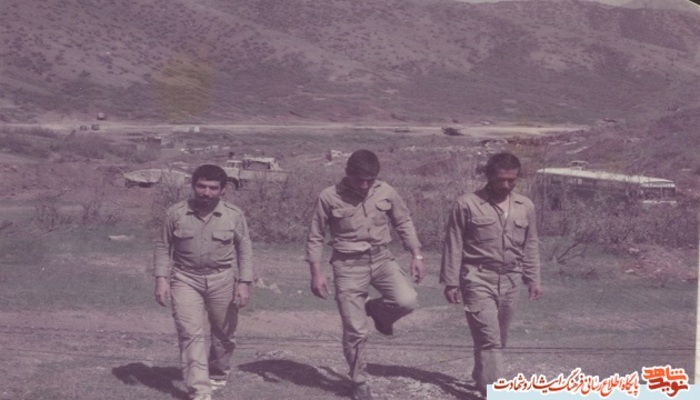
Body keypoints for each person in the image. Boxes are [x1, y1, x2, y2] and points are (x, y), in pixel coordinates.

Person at [306, 149, 426, 400]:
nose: (364, 185)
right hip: (347, 265)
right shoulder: (329, 196)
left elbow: (403, 221)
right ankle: (359, 380)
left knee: (406, 300)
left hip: (381, 259)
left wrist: (416, 255)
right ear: (347, 173)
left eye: (370, 180)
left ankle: (376, 311)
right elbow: (315, 236)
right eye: (359, 179)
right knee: (355, 329)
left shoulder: (386, 191)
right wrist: (316, 274)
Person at [440, 152, 542, 398]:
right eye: (500, 179)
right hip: (477, 277)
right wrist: (451, 282)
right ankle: (493, 391)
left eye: (511, 180)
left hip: (511, 278)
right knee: (489, 339)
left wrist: (533, 278)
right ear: (488, 176)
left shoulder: (525, 206)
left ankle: (481, 374)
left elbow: (531, 243)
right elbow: (453, 243)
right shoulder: (467, 204)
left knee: (499, 338)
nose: (506, 185)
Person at [154, 164, 254, 400]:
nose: (206, 192)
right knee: (190, 333)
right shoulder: (176, 213)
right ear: (193, 186)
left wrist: (244, 282)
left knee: (224, 333)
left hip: (223, 278)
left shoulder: (234, 215)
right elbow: (163, 247)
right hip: (185, 278)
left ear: (223, 190)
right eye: (201, 186)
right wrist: (161, 279)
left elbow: (244, 249)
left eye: (212, 188)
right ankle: (199, 390)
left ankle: (218, 372)